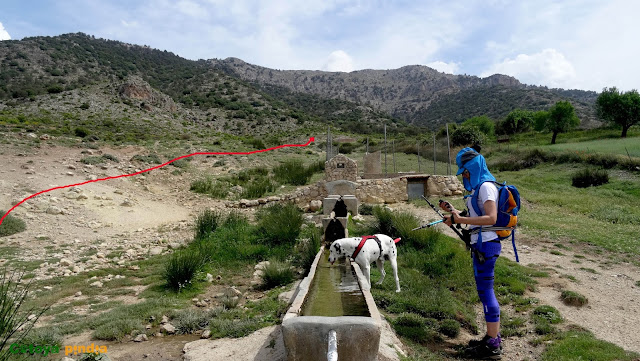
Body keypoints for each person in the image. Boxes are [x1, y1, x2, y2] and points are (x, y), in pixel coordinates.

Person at [441, 147, 503, 360]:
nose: (464, 176)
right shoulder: (478, 188)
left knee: (487, 293)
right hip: (481, 244)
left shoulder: (486, 187)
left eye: (465, 172)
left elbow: (491, 218)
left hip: (487, 245)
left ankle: (493, 345)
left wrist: (460, 220)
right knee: (484, 292)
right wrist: (455, 214)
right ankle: (490, 336)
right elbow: (475, 216)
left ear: (474, 167)